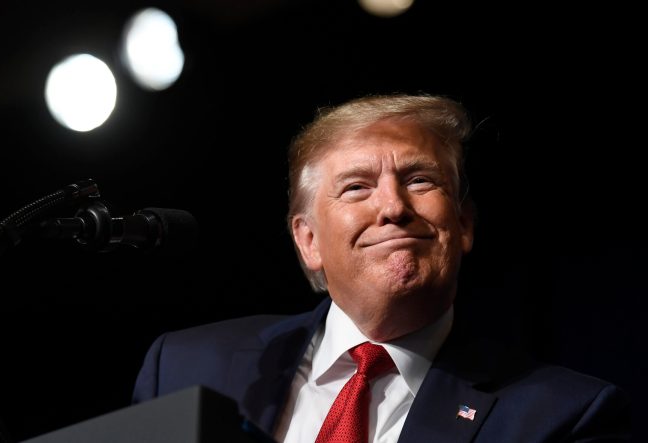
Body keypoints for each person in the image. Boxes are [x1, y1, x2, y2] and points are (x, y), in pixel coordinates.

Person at [132, 93, 630, 442]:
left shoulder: (563, 417)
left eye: (420, 180)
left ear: (463, 224)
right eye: (357, 187)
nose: (393, 207)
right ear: (308, 241)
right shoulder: (182, 369)